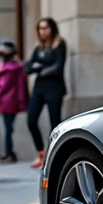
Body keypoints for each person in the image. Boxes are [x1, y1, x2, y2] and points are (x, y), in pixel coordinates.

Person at [24, 17, 67, 169]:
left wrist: (39, 67)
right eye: (40, 28)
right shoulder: (38, 48)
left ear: (52, 29)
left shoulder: (59, 45)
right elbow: (27, 67)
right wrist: (40, 68)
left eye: (45, 28)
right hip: (39, 89)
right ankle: (41, 153)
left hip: (54, 89)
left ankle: (55, 155)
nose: (42, 31)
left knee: (55, 123)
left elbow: (58, 67)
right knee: (31, 120)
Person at [0, 39, 27, 164]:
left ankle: (9, 153)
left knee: (8, 129)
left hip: (6, 101)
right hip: (10, 101)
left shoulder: (5, 68)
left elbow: (1, 86)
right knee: (8, 128)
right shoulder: (16, 67)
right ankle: (9, 152)